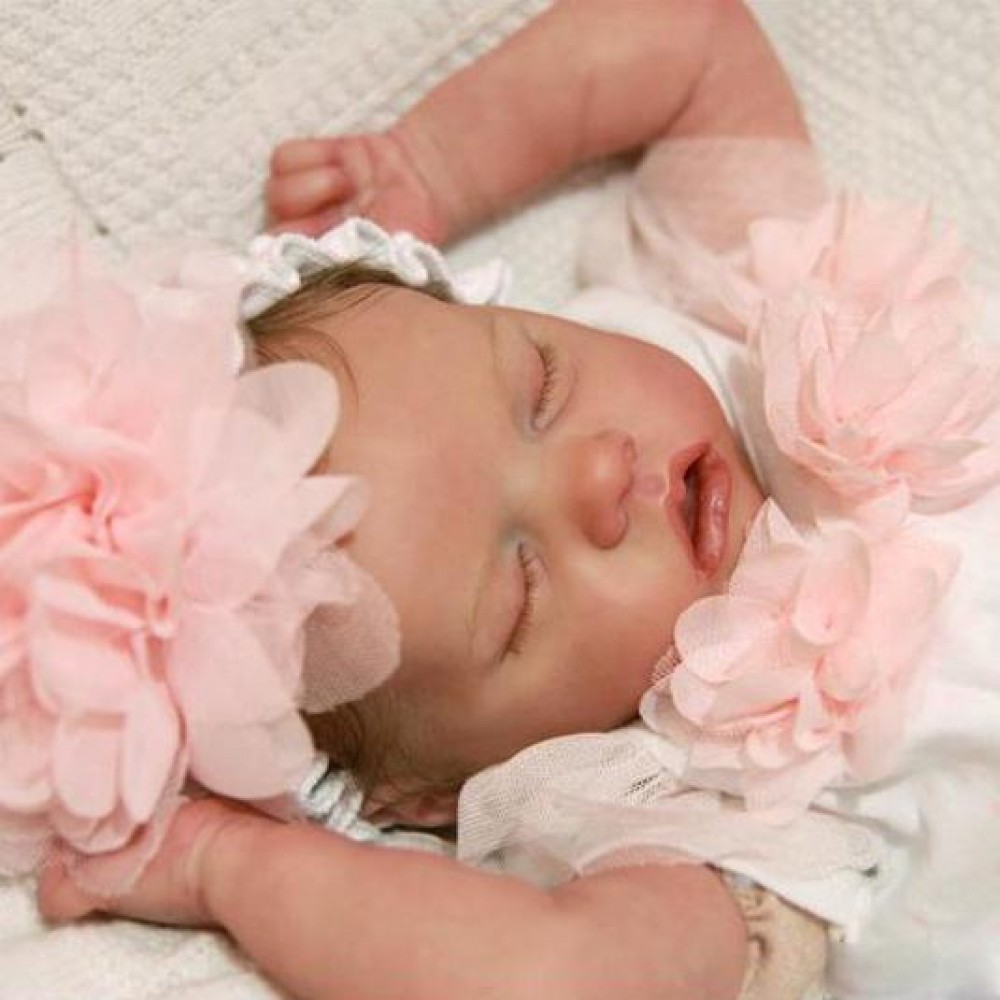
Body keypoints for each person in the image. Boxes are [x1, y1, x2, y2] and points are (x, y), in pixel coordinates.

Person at [34, 2, 1000, 999]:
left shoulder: (734, 314)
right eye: (523, 583)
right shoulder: (705, 806)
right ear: (431, 791)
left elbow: (695, 44)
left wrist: (436, 165)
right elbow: (554, 974)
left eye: (541, 385)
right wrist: (227, 866)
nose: (598, 475)